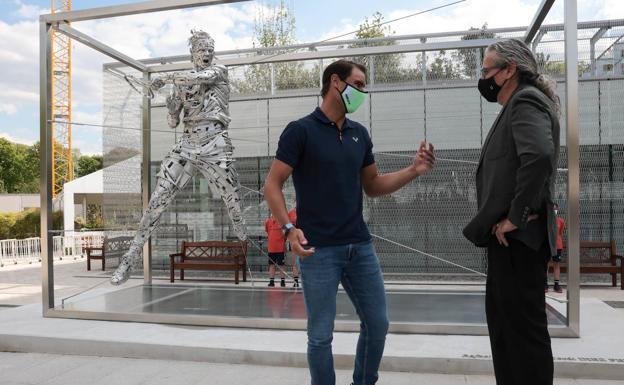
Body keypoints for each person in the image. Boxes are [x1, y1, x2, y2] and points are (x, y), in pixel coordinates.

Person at [264, 59, 435, 385]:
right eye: (357, 84)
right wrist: (288, 228)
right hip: (317, 252)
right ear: (334, 82)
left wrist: (414, 171)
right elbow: (272, 184)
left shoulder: (360, 134)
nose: (362, 92)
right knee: (320, 335)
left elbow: (372, 186)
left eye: (363, 86)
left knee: (378, 323)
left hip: (359, 246)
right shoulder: (300, 131)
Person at [110, 30, 246, 285]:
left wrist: (164, 79)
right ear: (193, 53)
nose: (207, 54)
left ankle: (242, 235)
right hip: (187, 143)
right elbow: (173, 121)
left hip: (215, 142)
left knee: (233, 202)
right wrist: (172, 108)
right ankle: (130, 258)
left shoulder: (219, 71)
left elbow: (200, 77)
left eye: (210, 50)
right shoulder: (180, 84)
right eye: (202, 50)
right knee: (157, 202)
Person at [463, 39, 561, 385]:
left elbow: (538, 157)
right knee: (508, 330)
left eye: (488, 70)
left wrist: (516, 216)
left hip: (518, 239)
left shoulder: (525, 101)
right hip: (514, 241)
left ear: (509, 71)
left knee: (520, 334)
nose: (484, 77)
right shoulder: (519, 104)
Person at [546, 203, 565, 293]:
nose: (554, 211)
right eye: (552, 209)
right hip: (547, 245)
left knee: (556, 264)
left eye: (555, 209)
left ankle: (556, 285)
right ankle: (544, 284)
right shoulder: (546, 221)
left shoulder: (560, 221)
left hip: (557, 245)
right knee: (545, 264)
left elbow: (560, 233)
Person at [265, 212, 287, 287]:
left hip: (280, 248)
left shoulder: (282, 222)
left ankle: (283, 281)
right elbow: (268, 231)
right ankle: (271, 281)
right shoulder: (268, 221)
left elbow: (286, 232)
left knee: (281, 265)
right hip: (271, 248)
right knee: (271, 264)